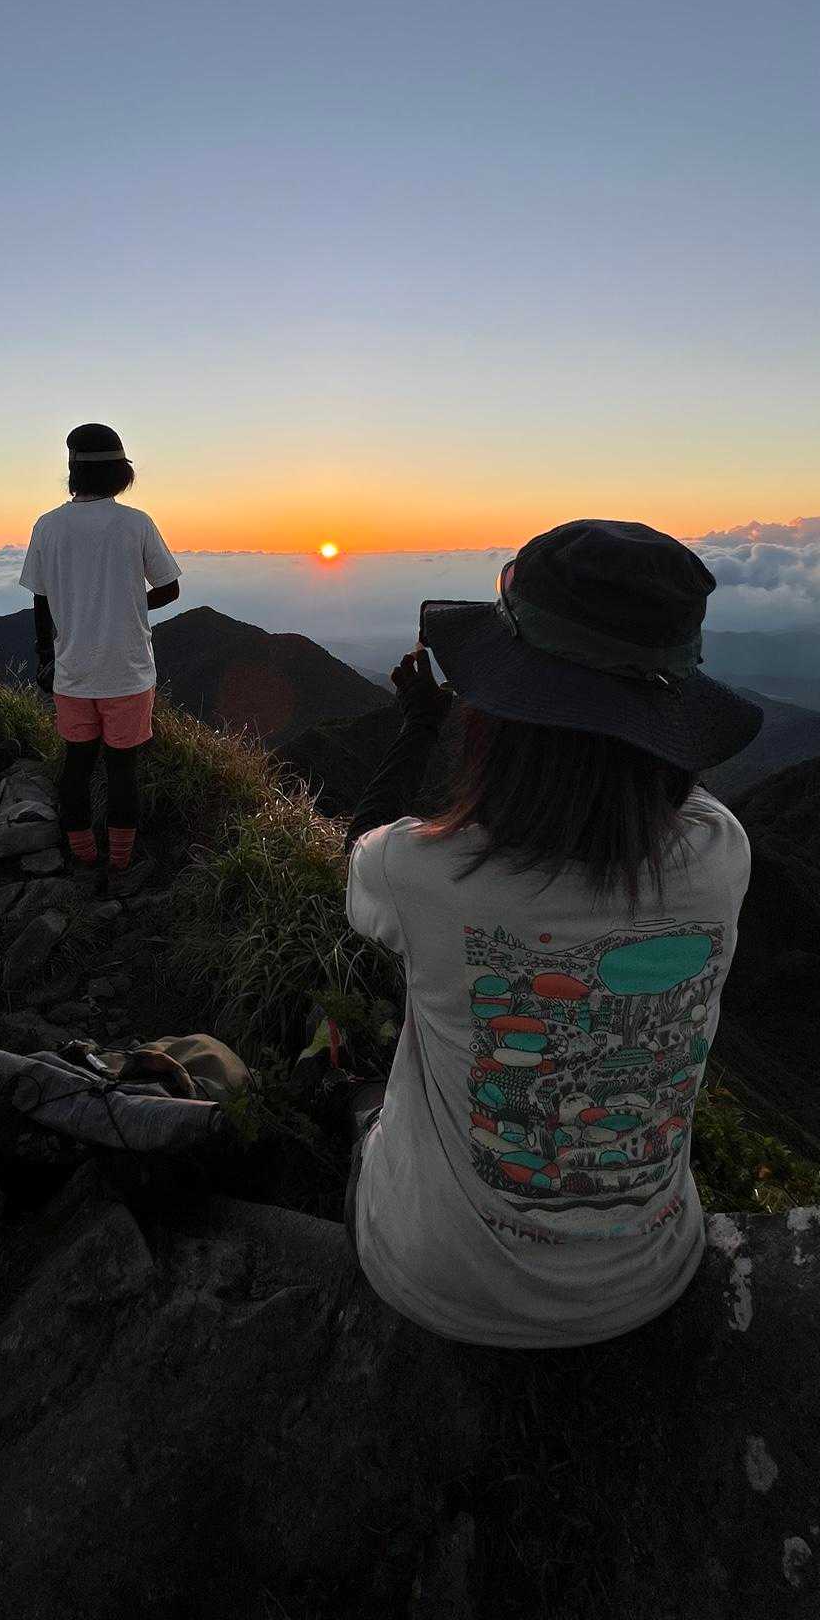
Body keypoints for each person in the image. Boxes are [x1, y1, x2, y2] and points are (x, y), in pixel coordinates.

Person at [340, 519, 764, 1348]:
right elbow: (658, 786)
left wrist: (420, 726)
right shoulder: (723, 854)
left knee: (360, 1104)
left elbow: (359, 854)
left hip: (437, 1278)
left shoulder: (416, 873)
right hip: (650, 1276)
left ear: (501, 715)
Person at [19, 424, 182, 896]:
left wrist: (45, 656)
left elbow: (40, 600)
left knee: (76, 764)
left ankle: (82, 855)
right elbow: (169, 588)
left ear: (72, 472)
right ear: (120, 473)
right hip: (128, 673)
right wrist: (128, 603)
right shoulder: (136, 523)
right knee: (122, 769)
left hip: (72, 673)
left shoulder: (47, 526)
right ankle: (121, 861)